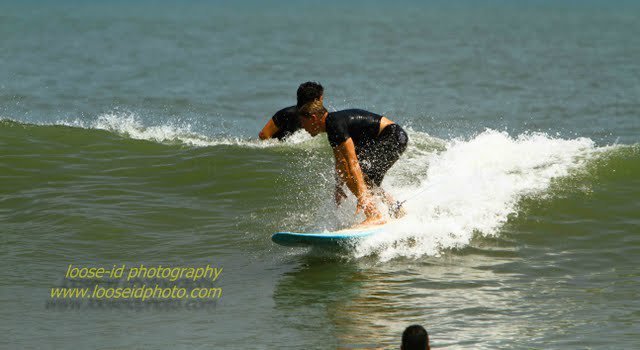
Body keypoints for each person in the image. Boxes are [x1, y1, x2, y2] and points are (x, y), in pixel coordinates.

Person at [297, 99, 408, 226]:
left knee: (360, 177)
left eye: (303, 122)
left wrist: (362, 195)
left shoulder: (334, 124)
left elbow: (352, 162)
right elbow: (340, 162)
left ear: (313, 118)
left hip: (393, 137)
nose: (303, 127)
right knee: (361, 179)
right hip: (390, 138)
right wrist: (338, 186)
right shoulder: (332, 126)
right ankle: (395, 208)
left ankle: (374, 215)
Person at [258, 82, 324, 140]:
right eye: (322, 98)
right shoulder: (287, 114)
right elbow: (263, 135)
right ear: (317, 100)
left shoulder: (321, 114)